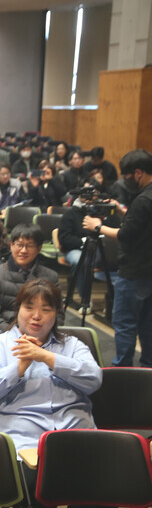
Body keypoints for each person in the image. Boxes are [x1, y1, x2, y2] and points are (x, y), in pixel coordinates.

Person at [0, 279, 102, 450]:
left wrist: (48, 358)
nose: (37, 316)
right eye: (29, 308)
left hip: (77, 436)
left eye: (46, 310)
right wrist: (19, 368)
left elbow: (94, 379)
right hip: (19, 441)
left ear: (56, 314)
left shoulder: (72, 345)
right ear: (18, 309)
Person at [86, 150, 152, 367]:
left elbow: (125, 234)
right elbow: (140, 225)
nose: (126, 181)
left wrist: (99, 226)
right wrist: (122, 211)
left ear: (139, 173)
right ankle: (147, 368)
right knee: (147, 324)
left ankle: (122, 367)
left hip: (134, 271)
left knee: (125, 323)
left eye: (127, 176)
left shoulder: (143, 200)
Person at [0, 224, 61, 332]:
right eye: (19, 245)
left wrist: (40, 335)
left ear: (39, 248)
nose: (23, 251)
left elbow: (58, 315)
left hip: (41, 336)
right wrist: (17, 336)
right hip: (4, 336)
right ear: (11, 245)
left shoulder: (51, 277)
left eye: (30, 246)